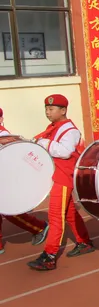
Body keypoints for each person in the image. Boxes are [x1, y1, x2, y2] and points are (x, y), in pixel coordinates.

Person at [27, 95, 94, 271]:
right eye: (46, 109)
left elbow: (65, 152)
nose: (48, 112)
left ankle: (49, 256)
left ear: (63, 111)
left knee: (55, 216)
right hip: (58, 175)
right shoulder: (54, 128)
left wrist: (44, 143)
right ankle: (84, 241)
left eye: (51, 109)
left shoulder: (69, 130)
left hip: (63, 177)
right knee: (70, 213)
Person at [0, 108, 49, 255]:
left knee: (9, 210)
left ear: (1, 119)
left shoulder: (4, 135)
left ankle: (39, 227)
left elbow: (12, 156)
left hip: (6, 179)